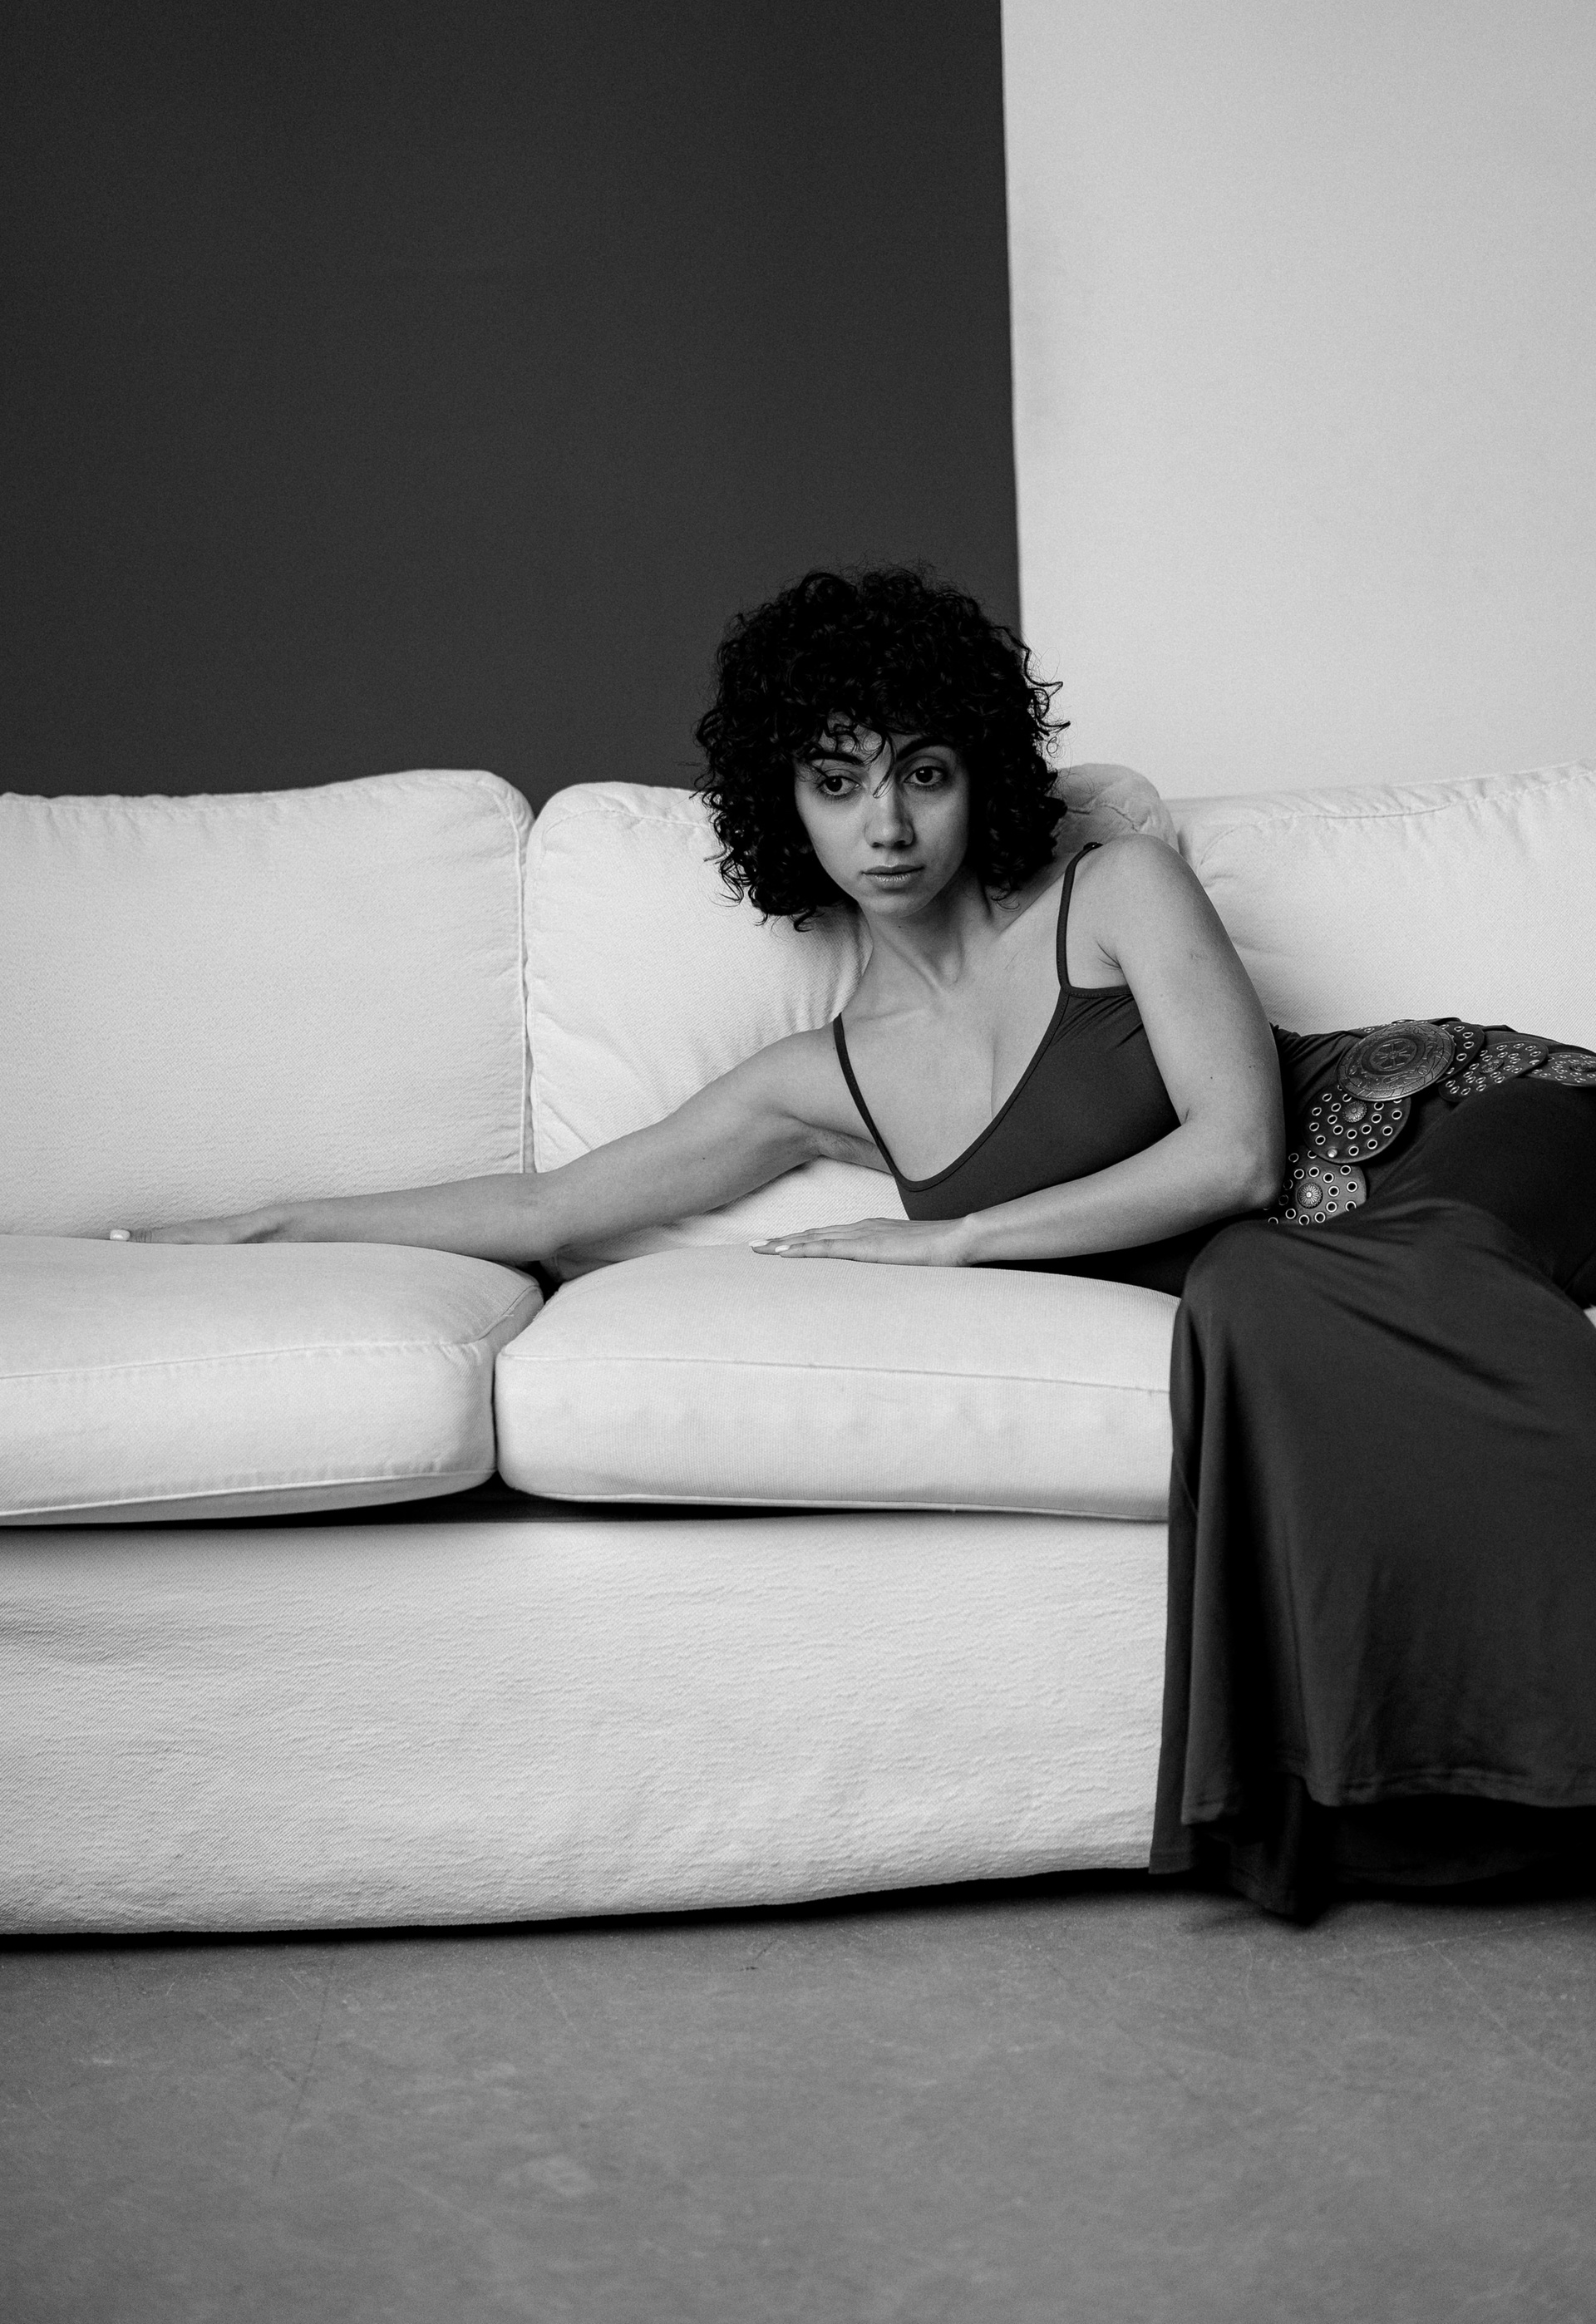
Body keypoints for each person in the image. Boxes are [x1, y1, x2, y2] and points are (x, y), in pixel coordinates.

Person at [128, 564, 1596, 1918]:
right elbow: (548, 1209)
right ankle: (1486, 1796)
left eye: (924, 775)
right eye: (838, 785)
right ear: (789, 808)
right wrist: (281, 1220)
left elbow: (1237, 1155)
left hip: (1468, 1121)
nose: (886, 827)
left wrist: (965, 1243)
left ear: (982, 777)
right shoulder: (822, 1077)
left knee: (1262, 1287)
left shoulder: (1112, 892)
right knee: (1255, 1307)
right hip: (1296, 1275)